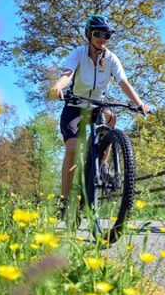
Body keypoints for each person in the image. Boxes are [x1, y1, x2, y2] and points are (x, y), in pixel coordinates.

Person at [49, 14, 150, 218]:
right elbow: (67, 74)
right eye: (98, 34)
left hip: (97, 105)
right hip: (75, 105)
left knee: (111, 118)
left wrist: (140, 104)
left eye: (106, 35)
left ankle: (102, 163)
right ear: (89, 34)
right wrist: (57, 87)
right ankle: (64, 200)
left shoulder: (111, 59)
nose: (102, 38)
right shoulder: (78, 54)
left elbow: (123, 82)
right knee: (73, 148)